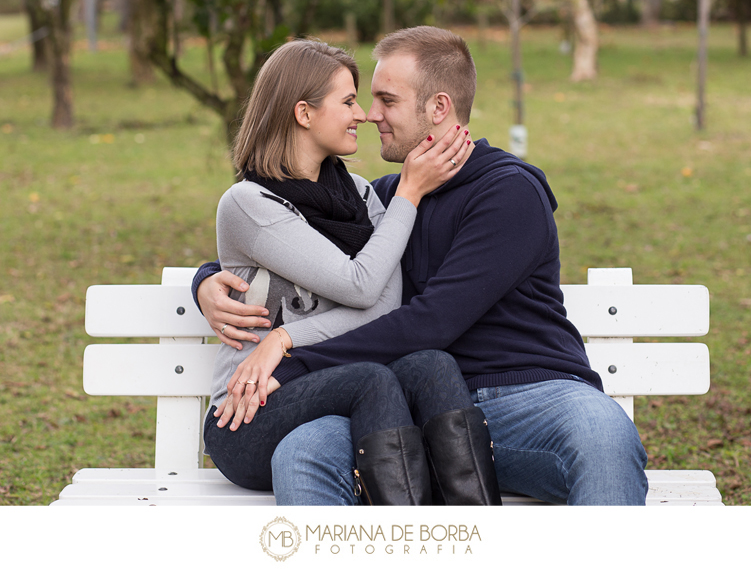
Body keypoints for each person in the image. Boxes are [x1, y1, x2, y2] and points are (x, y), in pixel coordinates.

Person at [195, 26, 649, 506]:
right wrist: (206, 283)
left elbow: (433, 320)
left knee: (603, 433)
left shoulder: (507, 194)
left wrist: (288, 351)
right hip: (408, 403)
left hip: (524, 397)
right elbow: (290, 246)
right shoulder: (390, 197)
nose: (370, 116)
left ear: (438, 107)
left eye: (386, 100)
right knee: (303, 452)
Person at [197, 38, 501, 506]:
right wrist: (410, 194)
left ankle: (475, 534)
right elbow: (359, 285)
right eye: (348, 101)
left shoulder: (359, 194)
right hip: (250, 413)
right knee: (372, 378)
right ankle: (403, 542)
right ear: (304, 113)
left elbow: (385, 305)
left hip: (328, 386)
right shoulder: (249, 204)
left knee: (433, 365)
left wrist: (288, 338)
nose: (362, 114)